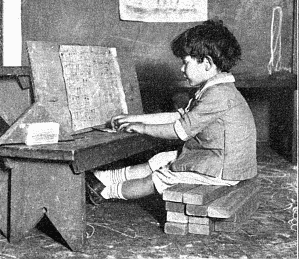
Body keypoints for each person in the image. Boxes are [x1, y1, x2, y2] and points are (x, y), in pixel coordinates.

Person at [86, 19, 257, 205]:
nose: (182, 69)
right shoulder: (215, 89)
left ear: (207, 63)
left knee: (158, 178)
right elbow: (180, 116)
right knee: (162, 158)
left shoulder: (219, 95)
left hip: (223, 168)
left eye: (185, 63)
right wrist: (134, 119)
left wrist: (141, 128)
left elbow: (179, 130)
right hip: (217, 159)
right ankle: (101, 177)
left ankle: (104, 192)